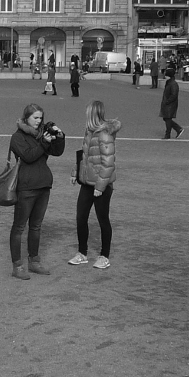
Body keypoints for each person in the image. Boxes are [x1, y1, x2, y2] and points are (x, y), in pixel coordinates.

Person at [7, 103, 65, 279]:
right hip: (26, 187)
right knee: (19, 227)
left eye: (41, 118)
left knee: (36, 226)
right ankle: (17, 266)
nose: (39, 121)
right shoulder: (17, 137)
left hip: (43, 185)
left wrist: (59, 136)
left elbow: (57, 152)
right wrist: (43, 143)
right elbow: (29, 156)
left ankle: (34, 261)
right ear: (26, 118)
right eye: (35, 118)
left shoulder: (41, 135)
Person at [68, 100, 120, 270]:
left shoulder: (104, 134)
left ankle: (104, 256)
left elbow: (108, 163)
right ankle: (82, 253)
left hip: (101, 185)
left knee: (102, 219)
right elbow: (84, 156)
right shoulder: (89, 132)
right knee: (81, 217)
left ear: (92, 114)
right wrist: (75, 172)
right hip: (87, 182)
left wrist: (100, 187)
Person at [160, 72, 183, 139]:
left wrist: (167, 101)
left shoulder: (173, 84)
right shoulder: (169, 83)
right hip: (168, 103)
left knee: (167, 118)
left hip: (170, 104)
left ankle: (168, 134)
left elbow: (174, 95)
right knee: (166, 118)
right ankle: (178, 129)